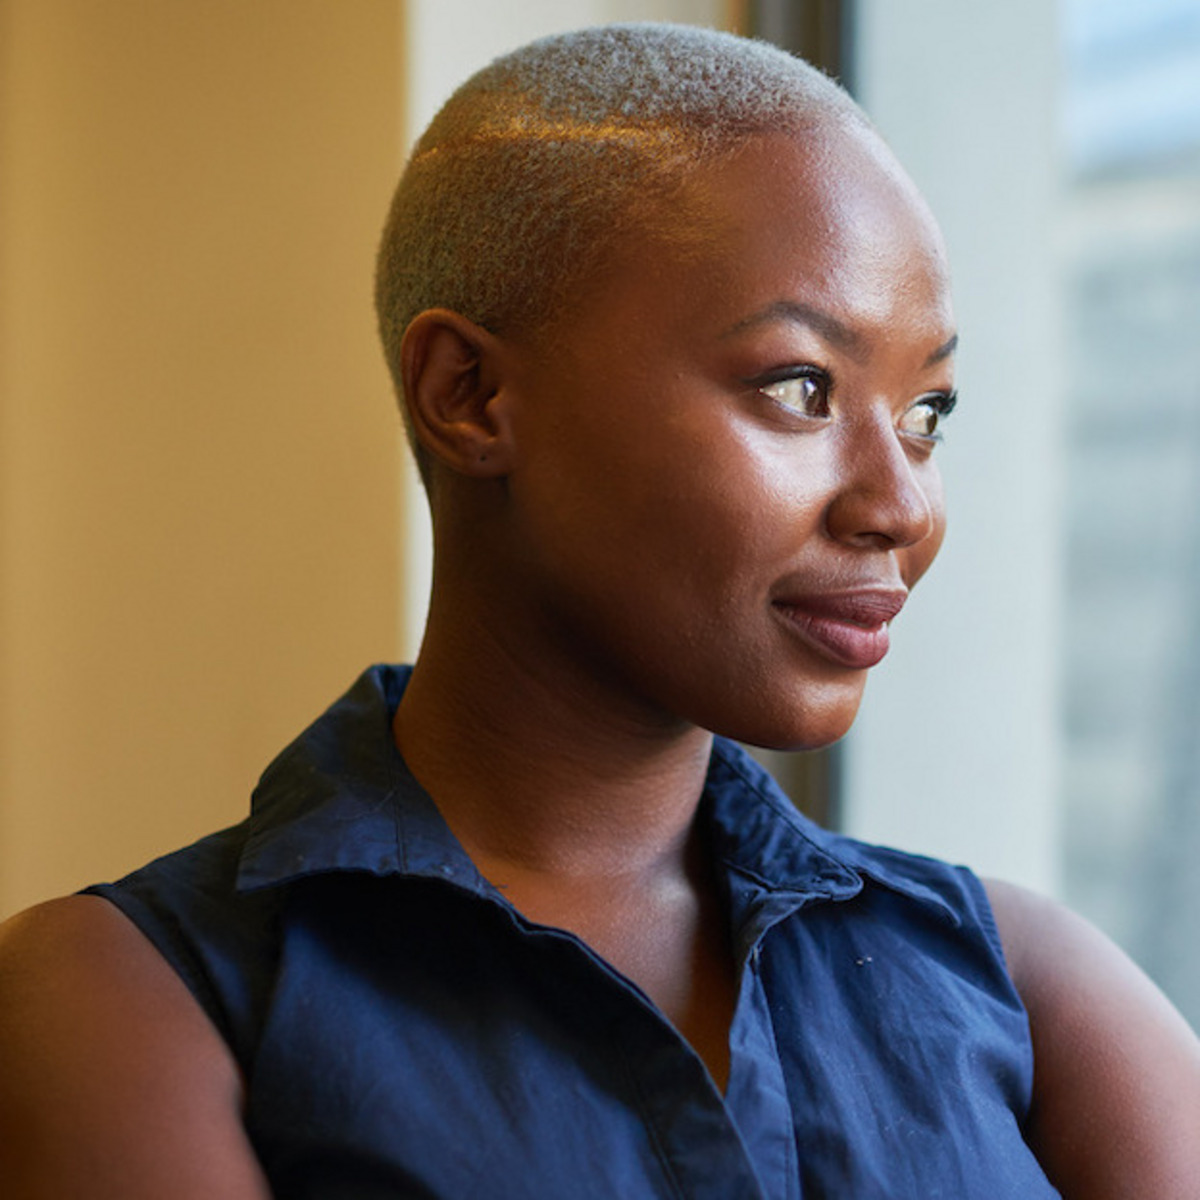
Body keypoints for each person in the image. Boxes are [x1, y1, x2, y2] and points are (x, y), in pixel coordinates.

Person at [1, 23, 1197, 1199]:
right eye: (799, 387)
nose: (899, 505)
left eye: (928, 413)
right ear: (468, 394)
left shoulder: (1032, 988)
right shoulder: (133, 999)